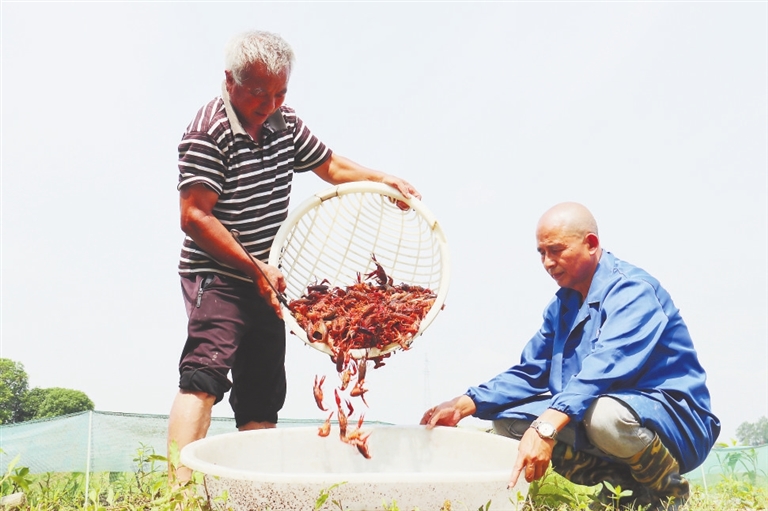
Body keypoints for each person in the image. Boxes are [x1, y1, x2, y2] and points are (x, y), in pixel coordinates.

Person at [167, 30, 420, 483]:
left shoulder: (284, 122)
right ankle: (176, 494)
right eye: (258, 92)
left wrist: (382, 179)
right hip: (217, 274)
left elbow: (330, 165)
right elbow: (195, 217)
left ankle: (255, 494)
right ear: (230, 80)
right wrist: (254, 268)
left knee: (262, 394)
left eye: (280, 92)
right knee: (204, 376)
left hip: (269, 278)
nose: (270, 104)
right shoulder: (208, 131)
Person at [421, 202, 720, 510]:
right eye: (541, 253)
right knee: (509, 422)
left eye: (556, 250)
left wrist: (545, 428)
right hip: (607, 415)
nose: (548, 262)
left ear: (590, 243)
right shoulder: (562, 307)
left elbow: (603, 369)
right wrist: (464, 404)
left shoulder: (632, 291)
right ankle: (625, 490)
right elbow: (532, 370)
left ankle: (667, 492)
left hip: (674, 422)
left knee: (602, 416)